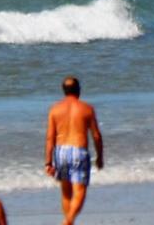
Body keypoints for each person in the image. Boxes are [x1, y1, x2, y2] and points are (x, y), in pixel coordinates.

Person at [44, 75, 104, 225]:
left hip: (61, 152)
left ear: (64, 91)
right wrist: (99, 157)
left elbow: (50, 138)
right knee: (80, 191)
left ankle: (69, 222)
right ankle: (68, 221)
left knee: (66, 192)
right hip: (78, 150)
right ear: (79, 90)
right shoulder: (86, 109)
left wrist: (48, 162)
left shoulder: (55, 109)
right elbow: (96, 136)